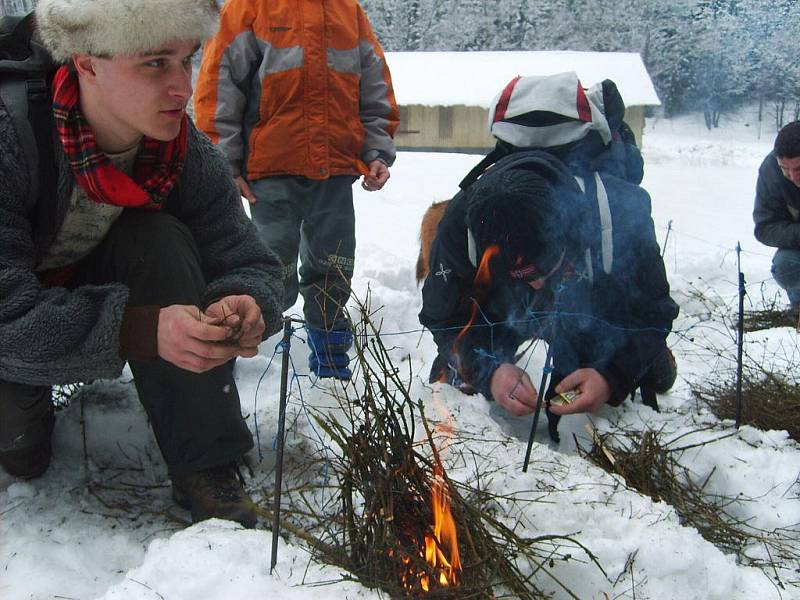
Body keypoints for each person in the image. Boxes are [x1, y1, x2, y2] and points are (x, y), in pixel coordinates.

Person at [0, 0, 284, 529]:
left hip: (76, 285)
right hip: (16, 308)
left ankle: (208, 463)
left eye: (187, 59)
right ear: (86, 63)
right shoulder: (10, 138)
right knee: (20, 450)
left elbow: (250, 259)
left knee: (158, 236)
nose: (181, 87)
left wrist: (246, 300)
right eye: (154, 63)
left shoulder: (183, 149)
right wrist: (142, 331)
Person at [418, 73, 679, 439]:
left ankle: (643, 362)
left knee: (589, 391)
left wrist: (611, 375)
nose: (537, 283)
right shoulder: (460, 224)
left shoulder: (616, 214)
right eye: (519, 272)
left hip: (586, 302)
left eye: (544, 268)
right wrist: (490, 373)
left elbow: (653, 311)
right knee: (453, 375)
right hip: (503, 310)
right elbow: (445, 318)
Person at [194, 0, 399, 380]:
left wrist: (376, 151)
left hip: (336, 172)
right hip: (271, 172)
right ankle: (222, 362)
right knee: (267, 270)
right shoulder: (247, 9)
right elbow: (218, 88)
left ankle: (331, 363)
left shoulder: (347, 11)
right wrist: (226, 166)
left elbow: (375, 89)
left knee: (334, 268)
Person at [753, 121, 800, 310]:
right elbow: (765, 227)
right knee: (785, 265)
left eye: (799, 169)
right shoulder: (771, 170)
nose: (793, 177)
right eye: (785, 169)